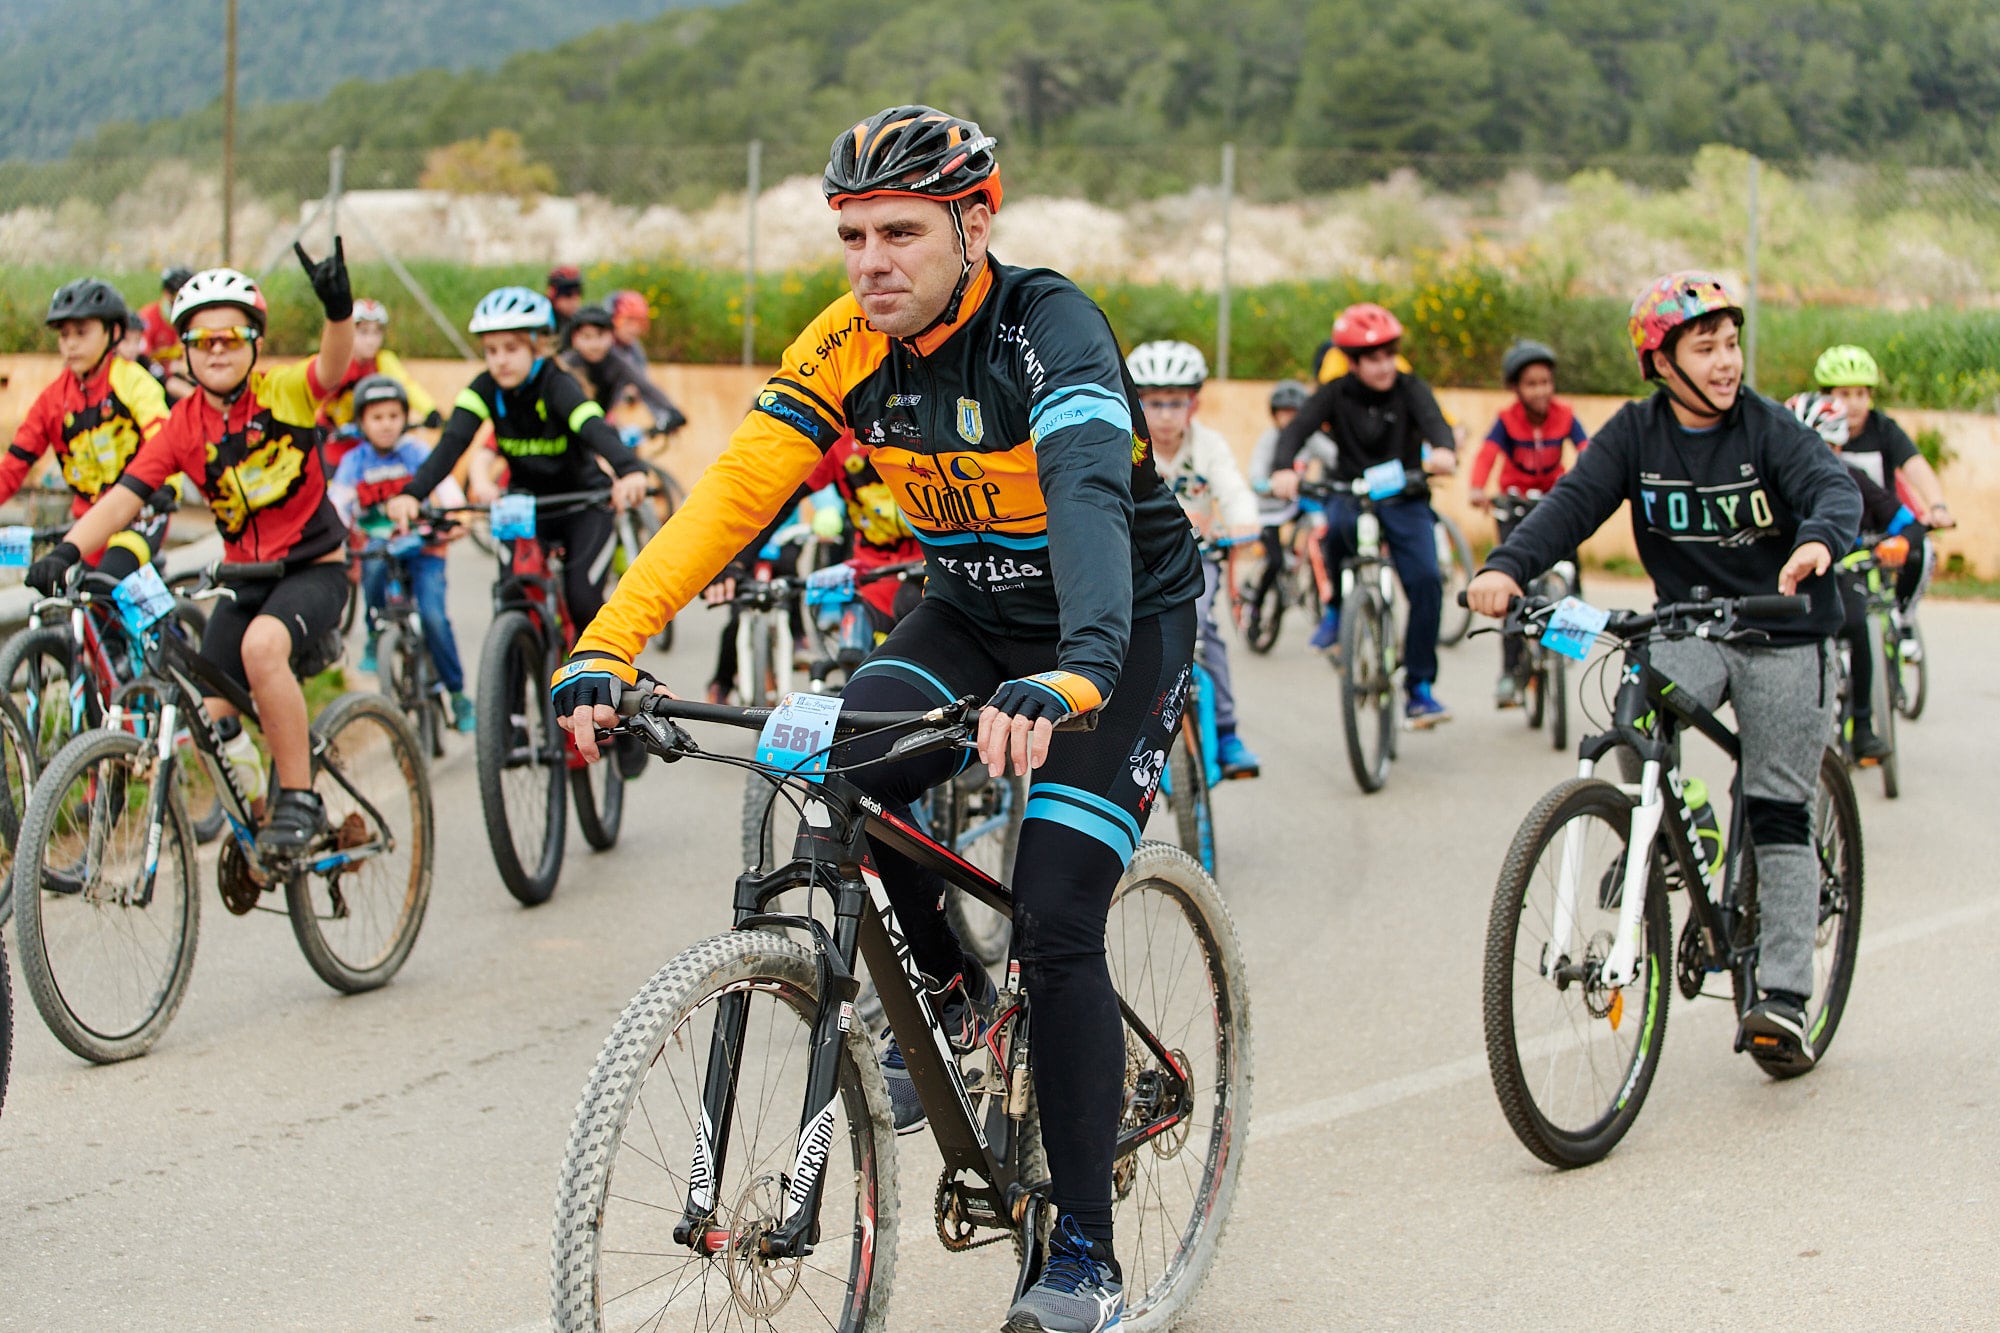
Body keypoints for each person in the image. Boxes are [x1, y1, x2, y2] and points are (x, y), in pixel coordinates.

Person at [551, 104, 1203, 1333]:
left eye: (898, 232)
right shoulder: (846, 340)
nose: (870, 263)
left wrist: (1080, 671)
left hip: (1114, 624)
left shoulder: (1046, 327)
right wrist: (609, 638)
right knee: (839, 765)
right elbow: (733, 492)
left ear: (973, 223)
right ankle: (954, 993)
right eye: (850, 236)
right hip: (964, 611)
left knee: (1058, 914)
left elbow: (1082, 498)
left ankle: (1085, 1255)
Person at [1466, 271, 1861, 1068]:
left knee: (1780, 807)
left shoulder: (1767, 428)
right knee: (1631, 706)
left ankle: (1782, 996)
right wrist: (1507, 567)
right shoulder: (1636, 434)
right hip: (1692, 626)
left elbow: (1831, 485)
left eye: (1731, 343)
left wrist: (1817, 539)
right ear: (1662, 361)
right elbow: (1572, 504)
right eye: (1705, 347)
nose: (1727, 362)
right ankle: (1672, 822)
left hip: (1785, 628)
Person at [28, 246, 359, 853]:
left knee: (262, 649)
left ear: (254, 342)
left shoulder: (282, 393)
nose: (218, 350)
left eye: (231, 336)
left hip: (313, 568)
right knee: (211, 712)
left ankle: (301, 800)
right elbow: (126, 495)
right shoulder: (184, 424)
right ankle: (261, 828)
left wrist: (339, 311)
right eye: (202, 341)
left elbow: (332, 369)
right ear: (184, 350)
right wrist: (70, 551)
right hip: (243, 576)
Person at [384, 287, 651, 636]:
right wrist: (412, 492)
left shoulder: (557, 384)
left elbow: (593, 427)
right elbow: (453, 443)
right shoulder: (484, 387)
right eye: (491, 351)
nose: (500, 361)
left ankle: (598, 681)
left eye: (511, 349)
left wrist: (630, 469)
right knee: (511, 598)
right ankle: (514, 673)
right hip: (523, 505)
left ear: (537, 346)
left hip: (582, 503)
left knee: (582, 598)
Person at [1269, 302, 1459, 725]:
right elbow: (1296, 430)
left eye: (1389, 354)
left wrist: (1444, 449)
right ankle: (1338, 607)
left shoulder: (1410, 388)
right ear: (1353, 362)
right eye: (1373, 358)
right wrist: (1283, 468)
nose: (1384, 365)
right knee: (1335, 528)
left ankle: (1420, 688)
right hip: (1350, 491)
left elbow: (1435, 423)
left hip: (1405, 495)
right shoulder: (1334, 393)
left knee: (1427, 580)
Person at [1126, 339, 1262, 777]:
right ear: (1138, 403)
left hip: (1197, 559)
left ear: (1194, 404)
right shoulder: (1129, 444)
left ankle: (1225, 732)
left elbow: (1233, 488)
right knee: (1125, 639)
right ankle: (1134, 733)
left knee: (1204, 632)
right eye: (1154, 402)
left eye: (1176, 402)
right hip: (1137, 562)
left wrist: (1243, 523)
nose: (1165, 414)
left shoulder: (1210, 445)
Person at [328, 374, 474, 732]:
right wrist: (334, 541)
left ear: (404, 417)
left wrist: (456, 518)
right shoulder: (354, 462)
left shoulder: (418, 453)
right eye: (377, 417)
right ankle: (377, 628)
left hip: (424, 547)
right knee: (372, 570)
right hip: (382, 548)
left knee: (435, 618)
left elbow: (449, 491)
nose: (386, 425)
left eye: (394, 416)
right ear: (361, 421)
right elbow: (338, 506)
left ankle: (457, 694)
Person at [2, 278, 173, 579]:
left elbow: (163, 437)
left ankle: (166, 628)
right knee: (72, 600)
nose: (70, 343)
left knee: (104, 585)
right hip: (90, 522)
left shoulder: (132, 381)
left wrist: (162, 485)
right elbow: (15, 464)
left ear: (114, 333)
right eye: (64, 334)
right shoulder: (52, 400)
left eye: (81, 332)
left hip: (142, 513)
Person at [1468, 339, 1591, 707]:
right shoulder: (1507, 421)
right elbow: (1487, 455)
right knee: (1510, 586)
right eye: (1532, 384)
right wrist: (1477, 488)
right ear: (1516, 389)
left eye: (1546, 382)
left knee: (1571, 567)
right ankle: (1509, 672)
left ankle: (1569, 641)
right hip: (1515, 505)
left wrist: (1590, 482)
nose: (1541, 390)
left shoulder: (1565, 415)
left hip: (1556, 503)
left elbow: (1588, 451)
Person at [1814, 344, 1952, 658]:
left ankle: (1902, 616)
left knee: (1921, 550)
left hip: (1882, 523)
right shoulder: (1817, 430)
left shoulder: (1883, 429)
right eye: (1845, 394)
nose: (1854, 403)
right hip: (1838, 529)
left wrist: (1937, 506)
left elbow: (1915, 465)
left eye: (1861, 393)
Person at [319, 299, 442, 446]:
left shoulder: (384, 360)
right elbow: (318, 395)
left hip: (369, 439)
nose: (371, 341)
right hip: (334, 438)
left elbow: (407, 385)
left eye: (376, 333)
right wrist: (318, 425)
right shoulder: (339, 362)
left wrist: (430, 410)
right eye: (363, 333)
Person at [558, 304, 688, 437]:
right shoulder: (565, 364)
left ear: (612, 336)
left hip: (600, 427)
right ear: (574, 338)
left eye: (600, 336)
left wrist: (672, 411)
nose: (594, 344)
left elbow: (645, 386)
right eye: (587, 337)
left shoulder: (617, 361)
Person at [136, 266, 197, 402]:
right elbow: (140, 359)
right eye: (179, 296)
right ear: (167, 294)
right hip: (153, 377)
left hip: (179, 374)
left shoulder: (195, 318)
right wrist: (167, 376)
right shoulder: (148, 318)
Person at [547, 265, 584, 350]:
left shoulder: (579, 320)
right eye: (568, 294)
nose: (574, 301)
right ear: (553, 295)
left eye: (578, 293)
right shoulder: (543, 322)